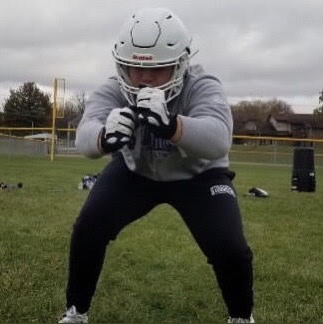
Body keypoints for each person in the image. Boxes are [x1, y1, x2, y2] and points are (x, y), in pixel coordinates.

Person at [58, 7, 254, 324]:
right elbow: (85, 136)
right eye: (134, 68)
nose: (145, 78)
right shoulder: (113, 89)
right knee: (88, 228)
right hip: (138, 171)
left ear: (180, 64)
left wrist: (172, 126)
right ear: (122, 65)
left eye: (158, 69)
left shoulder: (203, 85)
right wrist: (105, 138)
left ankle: (241, 318)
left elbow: (219, 139)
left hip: (199, 174)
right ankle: (76, 312)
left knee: (230, 247)